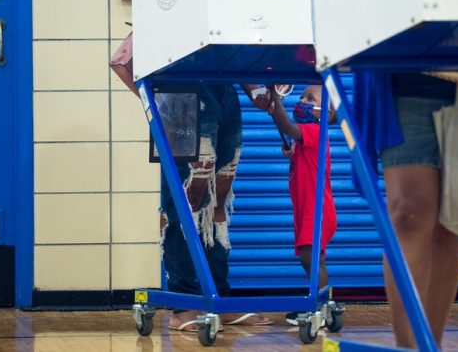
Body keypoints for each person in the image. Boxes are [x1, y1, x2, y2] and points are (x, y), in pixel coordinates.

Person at [110, 35, 272, 332]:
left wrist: (254, 85)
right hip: (181, 91)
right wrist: (159, 104)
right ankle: (183, 303)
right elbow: (120, 59)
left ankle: (219, 298)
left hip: (222, 89)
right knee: (186, 200)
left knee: (219, 199)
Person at [376, 73, 458, 348]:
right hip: (402, 74)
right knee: (407, 215)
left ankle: (431, 344)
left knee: (448, 224)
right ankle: (408, 347)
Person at [261, 85, 338, 326]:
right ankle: (319, 305)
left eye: (309, 98)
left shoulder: (316, 131)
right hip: (310, 210)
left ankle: (320, 308)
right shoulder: (308, 137)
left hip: (316, 210)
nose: (302, 100)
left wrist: (276, 98)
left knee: (311, 259)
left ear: (325, 114)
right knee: (312, 259)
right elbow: (288, 136)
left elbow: (286, 126)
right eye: (302, 95)